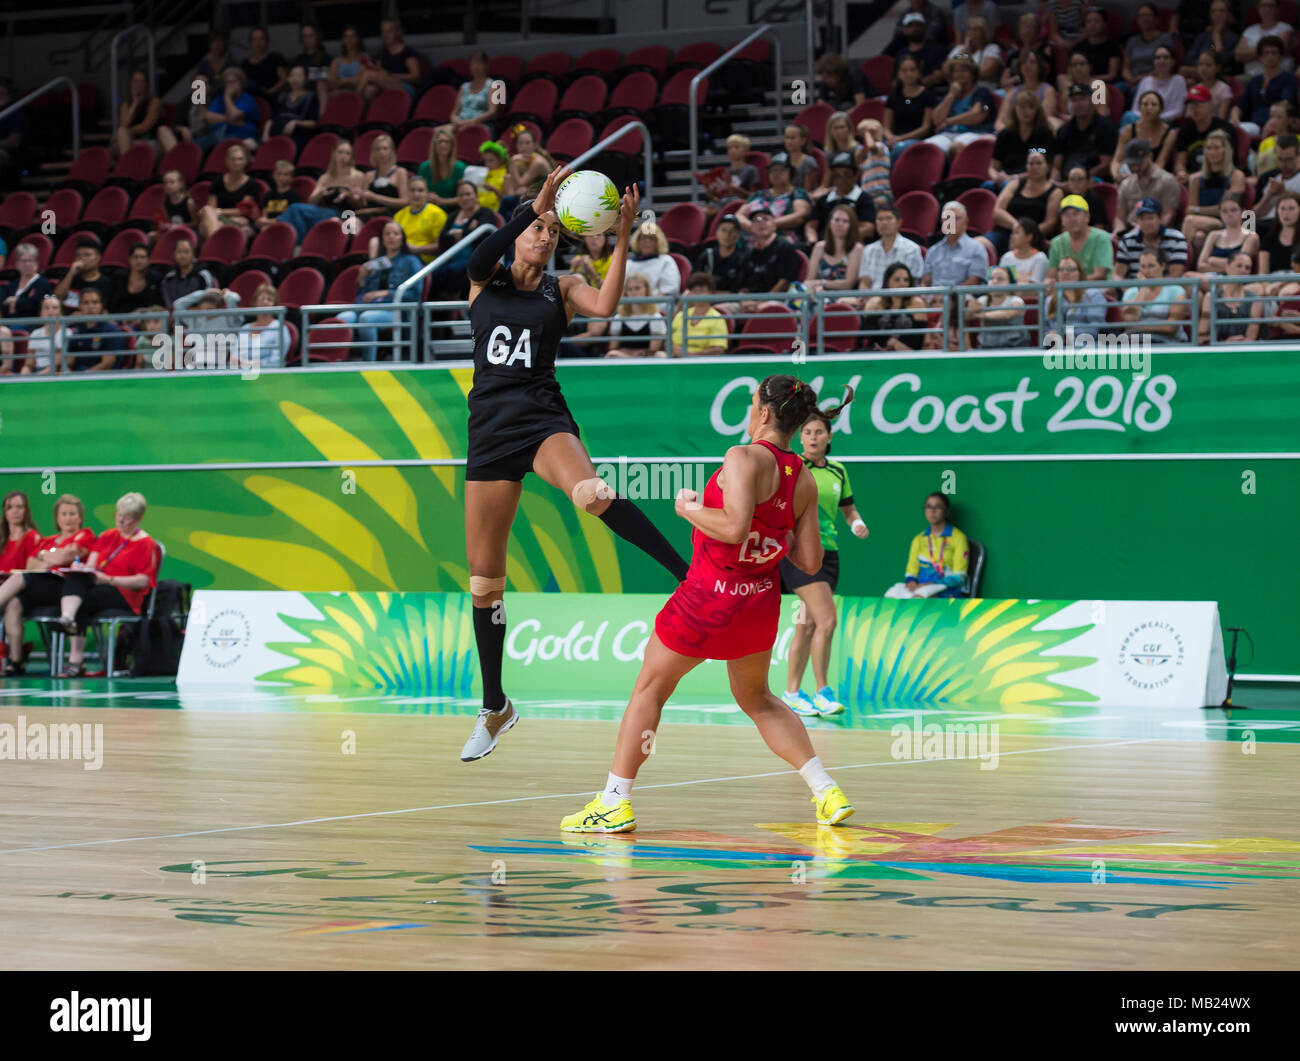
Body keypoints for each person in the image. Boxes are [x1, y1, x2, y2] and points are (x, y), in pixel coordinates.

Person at [457, 166, 690, 761]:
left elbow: (606, 308)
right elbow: (481, 253)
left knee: (592, 494)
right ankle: (495, 706)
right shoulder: (484, 280)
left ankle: (685, 574)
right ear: (518, 232)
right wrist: (532, 207)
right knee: (484, 582)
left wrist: (622, 235)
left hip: (540, 420)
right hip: (489, 432)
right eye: (536, 229)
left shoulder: (560, 288)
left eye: (552, 233)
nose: (543, 238)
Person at [560, 377, 856, 833]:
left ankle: (615, 802)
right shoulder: (804, 478)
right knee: (758, 700)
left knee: (650, 690)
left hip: (707, 599)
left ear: (763, 412)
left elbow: (734, 527)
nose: (750, 409)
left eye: (752, 402)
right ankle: (826, 791)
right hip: (757, 604)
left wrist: (688, 509)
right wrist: (777, 534)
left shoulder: (742, 457)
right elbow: (811, 560)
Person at [779, 409, 868, 717]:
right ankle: (822, 691)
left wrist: (857, 523)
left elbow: (848, 510)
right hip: (799, 553)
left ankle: (791, 693)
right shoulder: (791, 467)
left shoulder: (839, 471)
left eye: (818, 432)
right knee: (827, 620)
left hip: (828, 554)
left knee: (806, 625)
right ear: (800, 437)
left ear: (829, 437)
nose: (813, 437)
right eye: (807, 432)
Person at [40, 492, 158, 679]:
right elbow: (91, 565)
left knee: (81, 599)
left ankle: (74, 655)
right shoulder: (107, 536)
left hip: (125, 594)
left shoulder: (146, 544)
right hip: (99, 586)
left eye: (127, 518)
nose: (121, 522)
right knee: (76, 579)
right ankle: (67, 619)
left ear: (138, 518)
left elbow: (143, 580)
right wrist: (81, 568)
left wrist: (109, 580)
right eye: (119, 516)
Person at [0, 494, 93, 674]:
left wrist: (44, 556)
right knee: (13, 603)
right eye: (63, 514)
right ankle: (16, 661)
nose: (68, 518)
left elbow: (67, 556)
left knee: (19, 578)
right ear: (57, 518)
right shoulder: (47, 540)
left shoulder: (85, 535)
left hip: (66, 588)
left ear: (80, 517)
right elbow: (30, 564)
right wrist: (51, 558)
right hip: (40, 585)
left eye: (72, 514)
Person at [336, 221, 423, 361]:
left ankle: (369, 363)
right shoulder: (377, 262)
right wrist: (361, 277)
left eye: (395, 234)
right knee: (343, 317)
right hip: (370, 306)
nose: (391, 237)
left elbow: (415, 293)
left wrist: (385, 293)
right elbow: (363, 292)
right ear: (382, 239)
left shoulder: (411, 261)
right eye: (387, 234)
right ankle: (338, 360)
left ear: (402, 238)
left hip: (395, 310)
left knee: (366, 318)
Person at [276, 139, 368, 241]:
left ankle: (295, 240)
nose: (343, 156)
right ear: (334, 154)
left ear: (351, 157)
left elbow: (361, 204)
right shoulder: (325, 178)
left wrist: (348, 195)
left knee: (297, 211)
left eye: (347, 153)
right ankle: (296, 242)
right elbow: (311, 201)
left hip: (345, 213)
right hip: (325, 211)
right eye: (340, 152)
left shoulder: (358, 176)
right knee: (295, 210)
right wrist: (321, 193)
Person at [883, 493, 970, 599]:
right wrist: (911, 583)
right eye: (929, 506)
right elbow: (911, 572)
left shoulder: (958, 537)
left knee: (919, 600)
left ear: (947, 511)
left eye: (938, 507)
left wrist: (931, 584)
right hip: (921, 588)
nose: (932, 511)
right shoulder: (918, 539)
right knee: (891, 596)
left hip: (948, 590)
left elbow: (960, 576)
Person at [426, 181, 497, 301]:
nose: (464, 198)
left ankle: (453, 301)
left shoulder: (485, 213)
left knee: (453, 270)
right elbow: (442, 241)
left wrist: (458, 233)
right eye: (461, 195)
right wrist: (468, 231)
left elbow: (483, 236)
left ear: (476, 196)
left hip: (474, 260)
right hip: (451, 259)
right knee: (431, 272)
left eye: (468, 194)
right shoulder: (452, 216)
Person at [1184, 132, 1248, 253]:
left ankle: (1182, 259)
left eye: (1216, 148)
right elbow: (1190, 210)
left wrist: (1198, 210)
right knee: (1198, 237)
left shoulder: (1236, 176)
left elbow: (1229, 209)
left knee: (1190, 221)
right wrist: (1200, 210)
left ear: (1226, 151)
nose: (1212, 152)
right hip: (1203, 222)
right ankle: (1198, 262)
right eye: (1209, 148)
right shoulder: (1195, 179)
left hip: (1228, 220)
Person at [991, 147, 1061, 253]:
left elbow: (1050, 223)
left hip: (1033, 239)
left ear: (1048, 166)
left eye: (1039, 163)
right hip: (1005, 233)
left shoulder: (1055, 192)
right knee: (982, 244)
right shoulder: (1015, 184)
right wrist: (1017, 228)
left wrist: (1026, 235)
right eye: (1031, 163)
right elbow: (997, 212)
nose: (1034, 167)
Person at [737, 153, 813, 248]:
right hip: (751, 241)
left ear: (790, 172)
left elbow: (799, 216)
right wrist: (752, 225)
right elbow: (739, 215)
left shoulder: (798, 193)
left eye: (781, 169)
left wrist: (767, 225)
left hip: (783, 242)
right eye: (772, 170)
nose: (776, 173)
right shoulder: (759, 194)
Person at [924, 56, 995, 157]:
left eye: (964, 71)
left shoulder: (982, 92)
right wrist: (951, 95)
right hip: (949, 133)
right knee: (926, 148)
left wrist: (948, 121)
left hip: (976, 132)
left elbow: (977, 115)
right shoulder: (950, 94)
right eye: (956, 71)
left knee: (956, 147)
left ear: (973, 74)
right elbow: (936, 120)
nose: (959, 74)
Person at [736, 206, 802, 314]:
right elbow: (742, 286)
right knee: (722, 309)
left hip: (777, 300)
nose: (761, 223)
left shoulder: (785, 248)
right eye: (757, 220)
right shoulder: (749, 253)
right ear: (751, 228)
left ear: (774, 226)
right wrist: (743, 301)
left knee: (766, 309)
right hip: (749, 302)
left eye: (766, 219)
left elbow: (784, 282)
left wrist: (761, 301)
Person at [1233, 35, 1299, 136]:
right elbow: (1239, 106)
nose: (1270, 56)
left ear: (1281, 56)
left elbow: (1286, 103)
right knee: (1232, 129)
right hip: (1254, 125)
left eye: (1274, 53)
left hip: (1277, 125)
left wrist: (1272, 121)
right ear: (1260, 57)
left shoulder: (1288, 79)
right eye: (1266, 53)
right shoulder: (1255, 81)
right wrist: (1235, 118)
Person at [197, 142, 262, 241]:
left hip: (239, 219)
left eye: (240, 159)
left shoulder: (251, 184)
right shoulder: (217, 182)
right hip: (219, 219)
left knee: (207, 221)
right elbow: (212, 207)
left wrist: (220, 211)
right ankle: (214, 245)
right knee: (207, 214)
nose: (236, 162)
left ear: (245, 161)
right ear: (227, 161)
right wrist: (216, 213)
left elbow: (243, 211)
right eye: (233, 159)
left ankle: (212, 245)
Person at [1121, 247, 1190, 342]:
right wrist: (1143, 289)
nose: (1146, 271)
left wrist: (1139, 326)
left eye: (1151, 266)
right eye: (1142, 267)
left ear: (1163, 266)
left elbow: (1171, 327)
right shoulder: (1130, 292)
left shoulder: (1176, 291)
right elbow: (1130, 322)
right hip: (1135, 340)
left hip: (1166, 341)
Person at [1052, 83, 1118, 181]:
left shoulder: (1106, 127)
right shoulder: (1064, 130)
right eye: (1074, 100)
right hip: (1067, 180)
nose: (1078, 104)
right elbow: (1057, 166)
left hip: (1095, 181)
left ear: (1092, 101)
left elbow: (1106, 165)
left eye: (1082, 99)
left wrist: (1079, 179)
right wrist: (1053, 182)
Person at [806, 152, 875, 245]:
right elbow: (811, 225)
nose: (841, 179)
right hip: (823, 245)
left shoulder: (863, 199)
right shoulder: (824, 200)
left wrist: (841, 240)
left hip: (852, 245)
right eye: (837, 176)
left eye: (846, 175)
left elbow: (868, 228)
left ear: (855, 176)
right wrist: (812, 240)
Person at [854, 203, 924, 293]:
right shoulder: (868, 250)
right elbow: (865, 282)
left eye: (888, 218)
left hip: (901, 296)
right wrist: (865, 298)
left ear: (899, 222)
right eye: (880, 219)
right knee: (844, 300)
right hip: (872, 298)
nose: (884, 222)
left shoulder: (911, 249)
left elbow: (913, 282)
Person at [1115, 137, 1180, 233]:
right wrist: (1118, 231)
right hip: (1130, 230)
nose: (1135, 168)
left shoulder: (1167, 181)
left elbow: (1168, 215)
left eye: (1139, 163)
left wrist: (1145, 231)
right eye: (1131, 164)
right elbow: (1119, 218)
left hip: (1157, 232)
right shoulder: (1126, 184)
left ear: (1150, 156)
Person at [1174, 84, 1239, 179]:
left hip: (1222, 176)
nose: (1194, 109)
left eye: (1198, 104)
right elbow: (1180, 162)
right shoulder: (1184, 131)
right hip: (1192, 177)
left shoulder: (1225, 129)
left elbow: (1229, 161)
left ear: (1210, 104)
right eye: (1191, 105)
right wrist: (1181, 172)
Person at [1115, 197, 1189, 279]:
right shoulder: (1127, 241)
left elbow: (1175, 274)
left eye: (1150, 218)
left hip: (1167, 285)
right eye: (1142, 218)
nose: (1146, 223)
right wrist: (1131, 288)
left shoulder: (1177, 239)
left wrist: (1154, 286)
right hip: (1134, 284)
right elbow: (1118, 274)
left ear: (1160, 218)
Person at [992, 93, 1057, 187]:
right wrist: (996, 177)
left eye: (1031, 107)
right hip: (1005, 178)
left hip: (1031, 181)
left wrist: (1014, 178)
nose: (1026, 111)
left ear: (1037, 110)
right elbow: (993, 167)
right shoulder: (1005, 134)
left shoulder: (1045, 134)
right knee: (987, 185)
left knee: (1007, 185)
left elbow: (1046, 168)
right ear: (1015, 109)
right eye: (1022, 107)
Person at [1114, 90, 1177, 182]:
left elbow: (1161, 162)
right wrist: (1117, 174)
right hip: (1130, 176)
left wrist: (1140, 179)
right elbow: (1117, 160)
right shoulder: (1128, 130)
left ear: (1161, 109)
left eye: (1154, 104)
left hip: (1157, 178)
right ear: (1139, 108)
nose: (1149, 108)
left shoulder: (1170, 133)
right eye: (1145, 104)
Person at [862, 262, 928, 349]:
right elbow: (869, 337)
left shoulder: (918, 304)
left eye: (906, 280)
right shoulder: (874, 303)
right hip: (877, 353)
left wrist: (896, 345)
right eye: (897, 280)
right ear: (887, 282)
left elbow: (918, 341)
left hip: (907, 354)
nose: (902, 284)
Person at [883, 55, 937, 161]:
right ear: (899, 73)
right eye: (904, 70)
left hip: (916, 140)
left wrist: (901, 138)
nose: (908, 74)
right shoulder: (894, 95)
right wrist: (891, 138)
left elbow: (926, 127)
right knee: (877, 148)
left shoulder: (928, 95)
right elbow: (886, 127)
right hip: (894, 139)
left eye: (912, 70)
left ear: (919, 73)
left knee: (899, 148)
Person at [599, 274, 667, 357]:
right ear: (626, 292)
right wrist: (631, 354)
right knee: (612, 354)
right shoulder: (619, 317)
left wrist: (636, 353)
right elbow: (613, 347)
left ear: (646, 291)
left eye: (637, 288)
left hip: (647, 358)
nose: (633, 293)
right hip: (624, 357)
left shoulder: (655, 317)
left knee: (660, 355)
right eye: (630, 289)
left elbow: (653, 350)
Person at [996, 49, 1060, 138]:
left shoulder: (1048, 90)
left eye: (1032, 62)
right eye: (1024, 62)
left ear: (1039, 66)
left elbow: (1044, 118)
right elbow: (999, 122)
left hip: (1037, 134)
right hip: (1012, 134)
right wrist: (1008, 133)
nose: (1027, 65)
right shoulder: (1012, 92)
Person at [1047, 195, 1113, 280]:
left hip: (1095, 287)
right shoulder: (1056, 242)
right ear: (1062, 220)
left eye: (1075, 214)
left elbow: (1100, 275)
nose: (1071, 219)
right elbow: (1050, 276)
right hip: (1066, 287)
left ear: (1087, 217)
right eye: (1066, 215)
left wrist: (1072, 282)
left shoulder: (1101, 237)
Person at [805, 203, 864, 297]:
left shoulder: (857, 248)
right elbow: (809, 281)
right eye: (836, 220)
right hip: (818, 297)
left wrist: (821, 283)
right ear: (830, 223)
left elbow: (848, 284)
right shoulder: (819, 247)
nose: (840, 224)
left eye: (845, 221)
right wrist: (815, 286)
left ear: (851, 225)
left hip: (844, 299)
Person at [1045, 253, 1107, 340]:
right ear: (1057, 274)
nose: (1066, 272)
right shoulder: (1050, 300)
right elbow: (1044, 329)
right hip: (1056, 346)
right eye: (1061, 269)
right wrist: (1050, 335)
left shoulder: (1093, 295)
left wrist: (1066, 335)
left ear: (1080, 273)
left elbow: (1095, 329)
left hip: (1088, 345)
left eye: (1071, 269)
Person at [357, 17, 421, 101]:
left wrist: (390, 74)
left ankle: (353, 101)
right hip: (386, 83)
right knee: (370, 90)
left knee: (368, 74)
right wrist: (369, 65)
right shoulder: (383, 53)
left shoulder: (407, 51)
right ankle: (361, 107)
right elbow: (379, 71)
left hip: (404, 86)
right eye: (383, 32)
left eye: (389, 31)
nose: (385, 35)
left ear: (397, 32)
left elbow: (416, 77)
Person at [196, 68, 259, 152]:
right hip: (217, 134)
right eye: (227, 82)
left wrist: (227, 96)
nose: (230, 85)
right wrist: (227, 119)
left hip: (242, 135)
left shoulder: (247, 99)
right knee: (193, 146)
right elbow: (207, 117)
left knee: (221, 143)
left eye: (233, 82)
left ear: (241, 83)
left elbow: (233, 116)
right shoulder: (219, 98)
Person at [966, 265, 1030, 347]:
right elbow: (966, 317)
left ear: (1010, 283)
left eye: (1000, 279)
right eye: (991, 278)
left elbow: (1007, 314)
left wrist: (980, 314)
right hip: (987, 346)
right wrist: (971, 310)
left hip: (1015, 346)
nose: (995, 281)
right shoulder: (982, 300)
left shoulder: (1016, 300)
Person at [66, 287, 127, 372]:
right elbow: (69, 362)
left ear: (101, 305)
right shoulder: (78, 331)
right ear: (80, 306)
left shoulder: (112, 331)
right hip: (78, 376)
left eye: (95, 302)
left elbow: (108, 363)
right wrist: (67, 372)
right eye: (86, 303)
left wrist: (83, 376)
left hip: (103, 377)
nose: (90, 306)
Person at [668, 272, 729, 356]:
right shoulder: (680, 315)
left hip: (703, 361)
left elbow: (718, 349)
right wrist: (673, 349)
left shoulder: (717, 318)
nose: (697, 294)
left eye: (702, 290)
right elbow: (667, 341)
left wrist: (692, 355)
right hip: (675, 359)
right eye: (694, 290)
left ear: (711, 293)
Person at [1195, 192, 1258, 273]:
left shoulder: (1251, 236)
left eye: (1233, 210)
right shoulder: (1214, 235)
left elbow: (1241, 265)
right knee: (1189, 275)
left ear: (1242, 212)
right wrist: (1228, 267)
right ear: (1220, 213)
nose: (1229, 214)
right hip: (1212, 277)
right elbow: (1200, 266)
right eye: (1225, 211)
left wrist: (1212, 260)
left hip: (1236, 279)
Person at [1237, 0, 1296, 80]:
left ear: (1277, 9)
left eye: (1270, 6)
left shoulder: (1285, 28)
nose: (1267, 9)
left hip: (1278, 76)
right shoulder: (1249, 30)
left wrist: (1250, 54)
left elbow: (1279, 49)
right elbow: (1238, 55)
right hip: (1250, 76)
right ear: (1258, 8)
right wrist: (1265, 50)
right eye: (1264, 5)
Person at [263, 64, 319, 146]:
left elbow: (313, 123)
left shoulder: (311, 96)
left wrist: (296, 122)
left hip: (296, 136)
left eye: (299, 76)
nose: (295, 79)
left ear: (306, 79)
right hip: (274, 133)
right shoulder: (282, 95)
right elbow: (271, 118)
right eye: (292, 75)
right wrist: (265, 133)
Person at [393, 176, 446, 262]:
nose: (416, 194)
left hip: (425, 261)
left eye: (420, 190)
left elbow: (441, 246)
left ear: (427, 193)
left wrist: (417, 249)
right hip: (401, 258)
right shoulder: (399, 215)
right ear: (407, 192)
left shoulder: (436, 214)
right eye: (412, 190)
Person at [891, 12, 949, 89]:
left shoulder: (937, 50)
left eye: (918, 25)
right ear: (904, 30)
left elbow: (939, 77)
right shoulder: (900, 54)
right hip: (906, 93)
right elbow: (895, 82)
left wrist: (913, 85)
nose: (914, 28)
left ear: (925, 27)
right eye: (910, 25)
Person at [693, 213, 749, 293]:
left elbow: (739, 292)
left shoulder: (743, 258)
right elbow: (694, 284)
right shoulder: (707, 255)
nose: (727, 235)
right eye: (723, 230)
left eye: (732, 231)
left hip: (730, 300)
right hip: (705, 298)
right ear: (717, 232)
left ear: (738, 235)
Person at [1123, 4, 1177, 85]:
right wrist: (1130, 78)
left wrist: (1142, 79)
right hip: (1132, 81)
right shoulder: (1132, 40)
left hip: (1154, 79)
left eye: (1148, 15)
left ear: (1156, 19)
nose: (1144, 19)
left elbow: (1168, 64)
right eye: (1141, 16)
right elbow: (1125, 68)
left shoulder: (1165, 38)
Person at [113, 70, 163, 158]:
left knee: (121, 140)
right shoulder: (126, 104)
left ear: (146, 84)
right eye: (135, 81)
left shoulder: (154, 102)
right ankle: (127, 163)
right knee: (119, 138)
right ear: (131, 84)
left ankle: (126, 163)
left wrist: (128, 132)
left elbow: (145, 126)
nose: (138, 84)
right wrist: (134, 104)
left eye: (142, 81)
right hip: (130, 139)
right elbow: (123, 125)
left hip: (149, 139)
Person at [359, 132, 410, 218]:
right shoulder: (368, 175)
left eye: (385, 148)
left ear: (391, 151)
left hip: (392, 215)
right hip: (369, 215)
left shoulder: (400, 172)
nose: (381, 152)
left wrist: (375, 197)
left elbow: (405, 202)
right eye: (378, 149)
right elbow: (363, 203)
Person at [623, 221, 680, 297]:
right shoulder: (628, 264)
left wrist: (649, 303)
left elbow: (669, 290)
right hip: (630, 303)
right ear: (637, 240)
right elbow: (622, 290)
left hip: (658, 303)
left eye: (651, 238)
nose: (647, 241)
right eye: (643, 237)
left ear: (658, 241)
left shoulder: (666, 261)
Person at [946, 17, 1003, 91]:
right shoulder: (959, 49)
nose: (972, 32)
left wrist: (960, 75)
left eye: (976, 29)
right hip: (957, 90)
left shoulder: (991, 48)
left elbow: (987, 71)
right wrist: (965, 51)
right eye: (969, 29)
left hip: (983, 90)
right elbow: (946, 69)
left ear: (984, 33)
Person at [449, 49, 501, 130]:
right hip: (460, 123)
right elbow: (454, 113)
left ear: (486, 65)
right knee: (439, 131)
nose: (476, 66)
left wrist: (470, 122)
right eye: (473, 63)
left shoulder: (494, 85)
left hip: (480, 124)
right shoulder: (464, 86)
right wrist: (456, 121)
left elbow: (493, 112)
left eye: (479, 63)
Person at [240, 284, 290, 368]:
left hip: (269, 372)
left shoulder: (280, 328)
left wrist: (253, 364)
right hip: (241, 371)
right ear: (255, 302)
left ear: (274, 305)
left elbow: (277, 359)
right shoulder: (244, 328)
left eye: (269, 300)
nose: (265, 302)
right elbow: (237, 355)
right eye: (261, 298)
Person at [1186, 2, 1241, 78]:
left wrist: (1217, 37)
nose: (1217, 14)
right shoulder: (1202, 37)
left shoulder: (1235, 39)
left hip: (1222, 77)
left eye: (1222, 11)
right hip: (1199, 72)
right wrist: (1204, 67)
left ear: (1229, 15)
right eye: (1213, 11)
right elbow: (1190, 59)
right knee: (1182, 70)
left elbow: (1224, 62)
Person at [1070, 6, 1123, 84]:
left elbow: (1112, 75)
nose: (1092, 24)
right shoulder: (1078, 47)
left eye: (1097, 21)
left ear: (1105, 24)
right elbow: (1070, 72)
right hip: (1080, 83)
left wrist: (1090, 79)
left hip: (1103, 83)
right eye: (1089, 22)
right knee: (1061, 78)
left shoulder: (1113, 46)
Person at [1, 242, 54, 319]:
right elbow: (3, 307)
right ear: (17, 263)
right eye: (23, 261)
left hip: (33, 323)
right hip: (10, 323)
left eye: (30, 260)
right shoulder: (10, 285)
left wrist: (16, 302)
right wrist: (23, 303)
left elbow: (36, 306)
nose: (27, 264)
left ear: (37, 262)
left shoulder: (43, 284)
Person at [1134, 46, 1187, 122]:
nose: (1161, 60)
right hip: (1143, 121)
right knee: (1128, 115)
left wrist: (1156, 119)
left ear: (1173, 61)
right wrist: (1146, 118)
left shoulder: (1179, 80)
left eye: (1166, 57)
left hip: (1167, 123)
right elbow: (1135, 109)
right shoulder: (1145, 81)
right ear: (1154, 61)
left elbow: (1179, 110)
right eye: (1158, 57)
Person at [51, 236, 106, 309]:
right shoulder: (69, 278)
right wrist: (71, 273)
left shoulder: (106, 283)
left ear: (98, 257)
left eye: (87, 255)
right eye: (78, 255)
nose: (82, 258)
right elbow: (56, 298)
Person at [419, 126, 467, 209]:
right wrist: (426, 196)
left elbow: (464, 196)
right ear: (434, 145)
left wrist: (442, 201)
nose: (443, 145)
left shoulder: (460, 167)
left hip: (452, 210)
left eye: (447, 142)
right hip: (429, 208)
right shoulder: (424, 167)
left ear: (452, 145)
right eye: (439, 141)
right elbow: (418, 191)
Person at [108, 243, 161, 316]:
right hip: (118, 319)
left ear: (149, 260)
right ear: (129, 259)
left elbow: (158, 306)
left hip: (146, 320)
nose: (139, 261)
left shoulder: (156, 279)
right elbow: (109, 303)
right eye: (135, 257)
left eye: (143, 257)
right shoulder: (118, 277)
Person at [21, 295, 67, 374]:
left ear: (61, 313)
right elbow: (29, 364)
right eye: (46, 308)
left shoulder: (66, 333)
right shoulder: (35, 333)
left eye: (54, 308)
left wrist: (37, 377)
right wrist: (23, 375)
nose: (50, 311)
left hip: (56, 373)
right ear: (41, 313)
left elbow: (56, 365)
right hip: (37, 371)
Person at [507, 126, 556, 201]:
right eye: (520, 143)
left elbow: (520, 183)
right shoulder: (521, 161)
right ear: (516, 146)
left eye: (528, 143)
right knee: (508, 179)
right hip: (534, 196)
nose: (524, 146)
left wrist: (512, 162)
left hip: (547, 198)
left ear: (535, 145)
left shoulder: (538, 162)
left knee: (518, 193)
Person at [292, 24, 333, 111]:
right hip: (299, 96)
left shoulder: (326, 58)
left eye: (311, 36)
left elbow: (325, 80)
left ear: (317, 37)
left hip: (317, 97)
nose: (308, 39)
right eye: (305, 36)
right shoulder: (298, 60)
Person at [999, 215, 1050, 284]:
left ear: (1029, 237)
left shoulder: (1040, 259)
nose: (1011, 236)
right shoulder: (1006, 257)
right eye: (1012, 232)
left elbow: (1035, 287)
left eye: (1017, 232)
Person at [855, 120, 893, 209]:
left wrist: (866, 132)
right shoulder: (868, 157)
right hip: (868, 195)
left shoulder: (881, 146)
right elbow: (860, 168)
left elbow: (871, 146)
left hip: (881, 193)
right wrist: (858, 158)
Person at [0, 490, 41, 573]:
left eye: (19, 507)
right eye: (9, 507)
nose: (15, 511)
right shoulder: (1, 538)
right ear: (5, 512)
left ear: (26, 511)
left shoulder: (33, 538)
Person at [1259, 191, 1300, 274]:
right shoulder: (1269, 239)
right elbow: (1263, 273)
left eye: (1292, 208)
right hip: (1274, 280)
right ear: (1277, 211)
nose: (1286, 213)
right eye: (1282, 208)